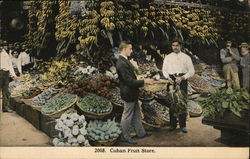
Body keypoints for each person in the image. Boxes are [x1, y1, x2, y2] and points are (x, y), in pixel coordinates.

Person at [116, 41, 154, 144]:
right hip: (128, 93)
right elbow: (129, 81)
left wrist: (140, 77)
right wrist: (144, 81)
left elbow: (131, 77)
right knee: (127, 115)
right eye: (130, 49)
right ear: (124, 49)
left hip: (132, 92)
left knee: (137, 113)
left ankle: (141, 133)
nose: (131, 51)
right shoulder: (121, 63)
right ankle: (125, 137)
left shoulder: (124, 60)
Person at [162, 39, 195, 133]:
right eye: (173, 45)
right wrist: (167, 77)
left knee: (182, 102)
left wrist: (183, 77)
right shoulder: (168, 57)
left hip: (182, 80)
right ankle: (172, 125)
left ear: (180, 46)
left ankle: (182, 125)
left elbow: (192, 71)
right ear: (171, 46)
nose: (175, 47)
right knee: (172, 102)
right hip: (171, 80)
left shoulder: (186, 57)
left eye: (177, 45)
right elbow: (164, 69)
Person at [0, 42, 16, 112]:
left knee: (5, 91)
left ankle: (5, 107)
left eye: (7, 45)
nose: (6, 47)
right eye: (5, 46)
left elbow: (10, 65)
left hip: (6, 73)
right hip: (1, 72)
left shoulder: (7, 54)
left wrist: (13, 75)